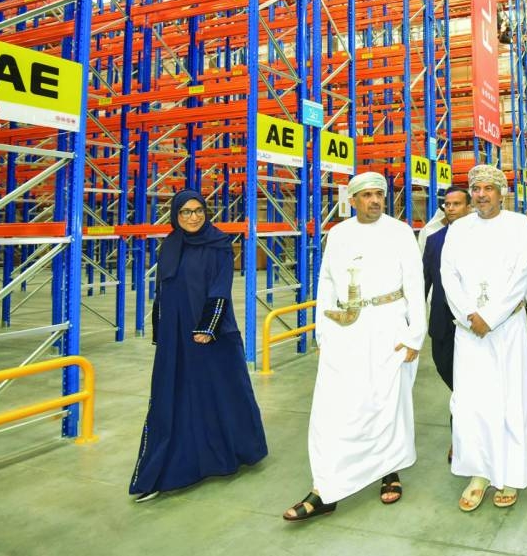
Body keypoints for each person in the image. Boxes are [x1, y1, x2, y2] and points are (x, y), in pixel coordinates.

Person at [283, 172, 426, 521]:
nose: (375, 201)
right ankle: (327, 488)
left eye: (380, 194)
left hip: (390, 326)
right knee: (336, 408)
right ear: (353, 199)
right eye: (367, 195)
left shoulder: (401, 231)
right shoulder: (339, 233)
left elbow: (415, 284)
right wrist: (324, 333)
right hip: (347, 329)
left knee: (387, 404)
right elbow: (327, 283)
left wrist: (414, 335)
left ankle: (389, 471)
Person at [130, 189, 267, 503]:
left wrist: (208, 327)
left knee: (220, 394)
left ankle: (234, 452)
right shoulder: (169, 245)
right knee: (173, 397)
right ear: (175, 216)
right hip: (175, 336)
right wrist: (160, 330)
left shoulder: (218, 243)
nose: (192, 217)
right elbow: (162, 292)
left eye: (198, 211)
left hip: (211, 335)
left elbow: (221, 289)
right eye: (185, 212)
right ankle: (169, 469)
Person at [441, 165, 527, 512]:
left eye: (488, 188)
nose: (481, 194)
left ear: (502, 192)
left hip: (506, 328)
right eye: (476, 188)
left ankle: (511, 473)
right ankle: (478, 473)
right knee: (471, 402)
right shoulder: (459, 228)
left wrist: (491, 317)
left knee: (510, 399)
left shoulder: (518, 226)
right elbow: (448, 274)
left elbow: (521, 275)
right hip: (468, 331)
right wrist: (469, 315)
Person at [422, 187, 471, 463]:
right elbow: (424, 281)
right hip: (443, 322)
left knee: (467, 384)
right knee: (450, 375)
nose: (450, 208)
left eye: (456, 204)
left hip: (473, 324)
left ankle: (461, 439)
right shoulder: (435, 240)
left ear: (468, 207)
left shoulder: (478, 238)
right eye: (447, 204)